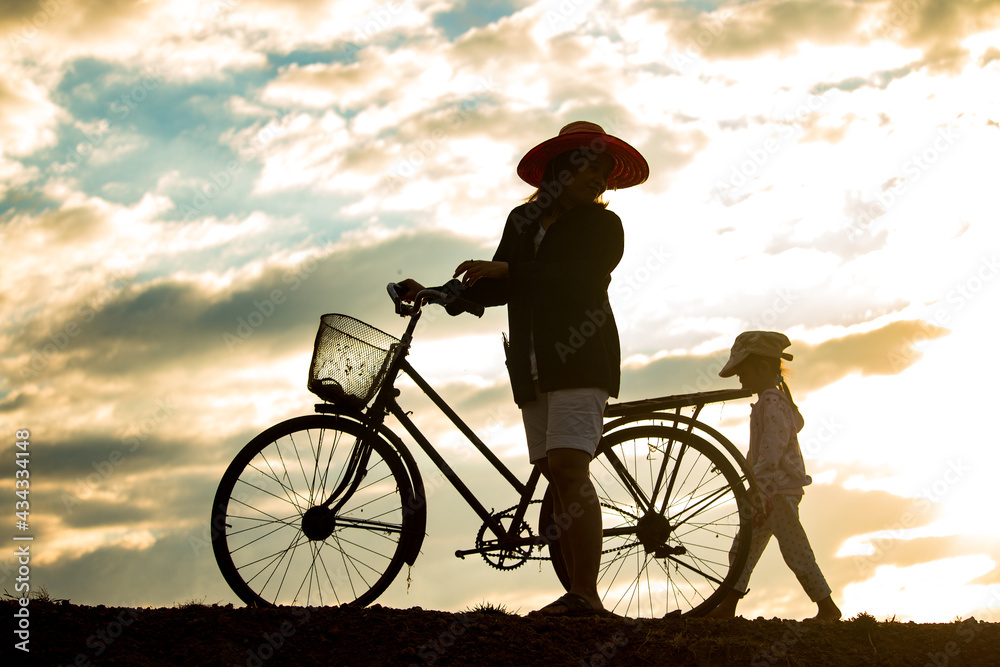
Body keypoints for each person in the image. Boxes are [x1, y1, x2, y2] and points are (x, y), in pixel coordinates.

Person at [399, 121, 648, 616]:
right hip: (532, 365)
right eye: (587, 166)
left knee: (569, 467)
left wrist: (509, 271)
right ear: (559, 169)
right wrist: (438, 291)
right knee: (551, 470)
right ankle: (577, 589)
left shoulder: (603, 227)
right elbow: (495, 285)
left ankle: (585, 596)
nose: (597, 177)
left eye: (603, 170)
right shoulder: (522, 221)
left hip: (581, 357)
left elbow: (578, 280)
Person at [707, 331, 842, 621]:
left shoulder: (772, 403)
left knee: (795, 550)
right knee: (743, 549)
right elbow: (762, 451)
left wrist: (761, 488)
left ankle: (828, 608)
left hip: (777, 493)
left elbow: (771, 451)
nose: (740, 379)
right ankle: (728, 607)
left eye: (743, 371)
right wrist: (750, 476)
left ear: (763, 368)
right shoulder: (771, 402)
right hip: (768, 490)